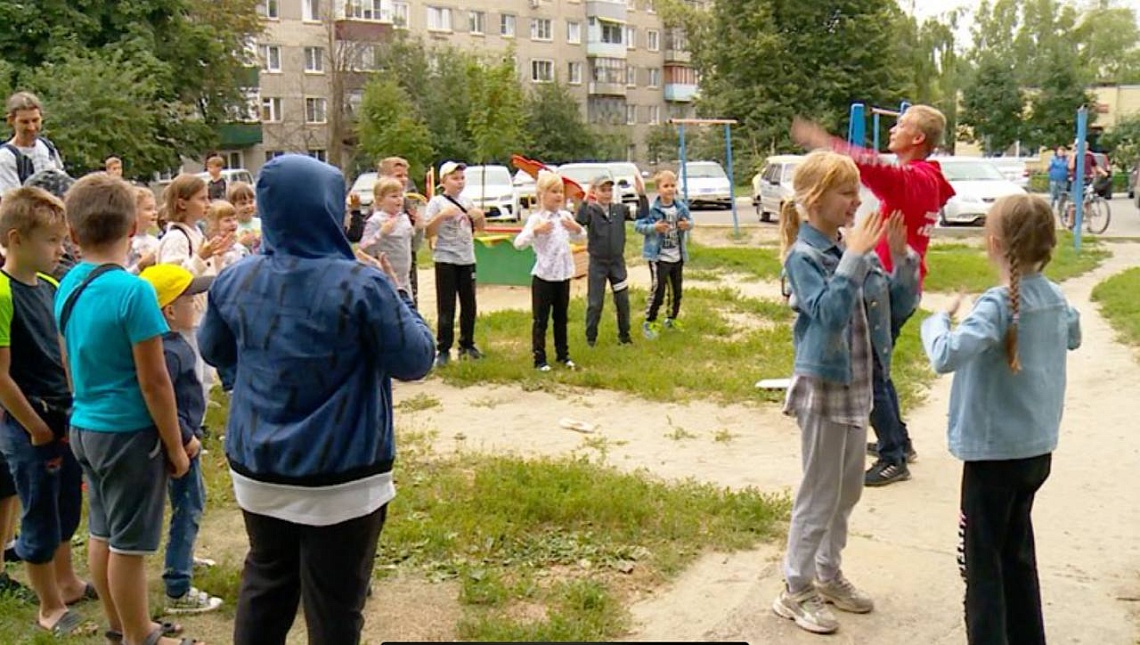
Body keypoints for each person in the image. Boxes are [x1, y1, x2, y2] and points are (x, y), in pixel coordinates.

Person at [198, 154, 436, 645]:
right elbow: (415, 360)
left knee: (266, 583)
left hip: (259, 465)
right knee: (334, 607)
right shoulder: (362, 283)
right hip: (342, 476)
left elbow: (213, 349)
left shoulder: (235, 279)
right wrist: (399, 293)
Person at [921, 194, 1081, 644]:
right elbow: (1075, 334)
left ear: (993, 243)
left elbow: (945, 356)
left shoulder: (997, 306)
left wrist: (937, 321)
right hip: (1036, 451)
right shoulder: (1054, 297)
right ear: (1049, 244)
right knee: (1016, 553)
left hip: (992, 458)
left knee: (981, 563)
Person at [772, 150, 918, 635]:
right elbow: (828, 313)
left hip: (859, 389)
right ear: (815, 199)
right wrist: (856, 256)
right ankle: (795, 589)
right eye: (847, 193)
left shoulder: (848, 250)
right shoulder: (805, 257)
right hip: (824, 390)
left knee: (847, 491)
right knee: (819, 493)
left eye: (857, 192)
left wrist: (901, 260)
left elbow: (896, 310)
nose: (858, 201)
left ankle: (828, 574)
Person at [55, 173, 194, 645]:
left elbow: (67, 356)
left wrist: (82, 401)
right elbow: (154, 381)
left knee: (102, 530)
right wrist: (175, 447)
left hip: (85, 425)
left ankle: (118, 624)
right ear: (133, 228)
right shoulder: (135, 292)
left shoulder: (67, 283)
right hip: (130, 434)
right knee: (130, 546)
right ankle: (140, 635)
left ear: (72, 234)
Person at [792, 105, 956, 487]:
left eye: (902, 125)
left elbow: (871, 167)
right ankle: (898, 439)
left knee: (874, 372)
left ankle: (892, 455)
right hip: (896, 280)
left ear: (918, 139)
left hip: (885, 286)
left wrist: (821, 141)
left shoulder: (912, 178)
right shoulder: (930, 178)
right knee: (880, 366)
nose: (893, 130)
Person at [0, 187, 93, 634]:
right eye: (52, 241)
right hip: (28, 425)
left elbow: (64, 353)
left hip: (63, 416)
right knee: (38, 512)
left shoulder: (54, 285)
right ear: (16, 239)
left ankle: (68, 581)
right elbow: (0, 377)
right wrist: (35, 427)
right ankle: (49, 605)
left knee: (65, 505)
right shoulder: (1, 291)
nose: (61, 250)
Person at [138, 265, 222, 616]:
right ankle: (178, 584)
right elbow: (163, 402)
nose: (198, 305)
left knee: (190, 502)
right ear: (169, 310)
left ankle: (182, 557)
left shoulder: (169, 344)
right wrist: (185, 439)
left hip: (186, 438)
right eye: (190, 299)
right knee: (188, 506)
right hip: (180, 443)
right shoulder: (169, 351)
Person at [514, 171, 586, 371]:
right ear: (542, 195)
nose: (558, 196)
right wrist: (535, 231)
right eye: (553, 191)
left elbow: (581, 237)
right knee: (541, 319)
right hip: (544, 275)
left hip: (563, 274)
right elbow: (518, 243)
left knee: (561, 317)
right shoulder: (536, 219)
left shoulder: (565, 216)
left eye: (561, 191)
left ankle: (563, 354)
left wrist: (575, 227)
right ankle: (539, 358)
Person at [426, 161, 486, 367]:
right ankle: (443, 348)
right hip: (445, 259)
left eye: (462, 178)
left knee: (469, 304)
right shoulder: (436, 203)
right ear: (444, 181)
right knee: (447, 305)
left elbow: (480, 228)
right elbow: (428, 231)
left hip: (467, 258)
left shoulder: (467, 201)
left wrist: (479, 217)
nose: (459, 182)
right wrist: (442, 216)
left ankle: (467, 344)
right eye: (454, 178)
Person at [576, 172, 646, 347]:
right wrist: (585, 197)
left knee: (622, 300)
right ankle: (590, 338)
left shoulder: (619, 209)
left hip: (616, 263)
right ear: (595, 192)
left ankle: (624, 336)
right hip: (598, 264)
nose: (606, 193)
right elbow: (580, 219)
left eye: (609, 190)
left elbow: (642, 213)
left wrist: (642, 194)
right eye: (602, 190)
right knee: (595, 303)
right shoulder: (591, 210)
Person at [634, 169, 692, 340]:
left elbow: (691, 222)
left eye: (672, 185)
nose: (669, 189)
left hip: (677, 255)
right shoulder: (653, 210)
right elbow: (638, 225)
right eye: (665, 186)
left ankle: (671, 318)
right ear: (658, 189)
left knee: (676, 291)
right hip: (659, 257)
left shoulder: (680, 207)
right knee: (658, 290)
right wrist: (654, 228)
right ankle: (649, 321)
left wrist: (687, 225)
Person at [378, 157, 425, 305]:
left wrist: (419, 228)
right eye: (398, 176)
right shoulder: (377, 209)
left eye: (405, 175)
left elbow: (414, 246)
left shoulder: (408, 206)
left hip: (407, 269)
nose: (404, 180)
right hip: (384, 270)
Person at [0, 92, 64, 193]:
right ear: (11, 120)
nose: (31, 127)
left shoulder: (47, 147)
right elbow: (13, 202)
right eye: (25, 122)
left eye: (35, 120)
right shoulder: (6, 158)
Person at [361, 177, 415, 289]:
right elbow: (364, 250)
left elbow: (413, 245)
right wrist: (382, 233)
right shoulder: (375, 220)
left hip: (404, 278)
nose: (399, 199)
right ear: (380, 200)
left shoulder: (404, 219)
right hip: (384, 278)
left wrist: (419, 229)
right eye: (394, 196)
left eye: (401, 195)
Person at [127, 187, 160, 275]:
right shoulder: (125, 243)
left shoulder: (155, 241)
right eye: (148, 209)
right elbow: (120, 275)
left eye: (155, 209)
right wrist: (140, 266)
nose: (154, 213)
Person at [227, 182, 260, 253]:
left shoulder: (261, 223)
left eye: (251, 202)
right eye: (243, 203)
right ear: (232, 206)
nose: (248, 206)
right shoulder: (231, 227)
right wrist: (240, 243)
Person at [1048, 146, 1069, 212]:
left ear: (1064, 152)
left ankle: (1060, 209)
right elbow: (1048, 167)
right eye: (1059, 151)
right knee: (1053, 195)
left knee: (1062, 195)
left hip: (1063, 179)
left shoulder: (1066, 159)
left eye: (1062, 152)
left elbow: (1069, 168)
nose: (1060, 153)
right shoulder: (1053, 159)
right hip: (1054, 179)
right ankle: (1051, 208)